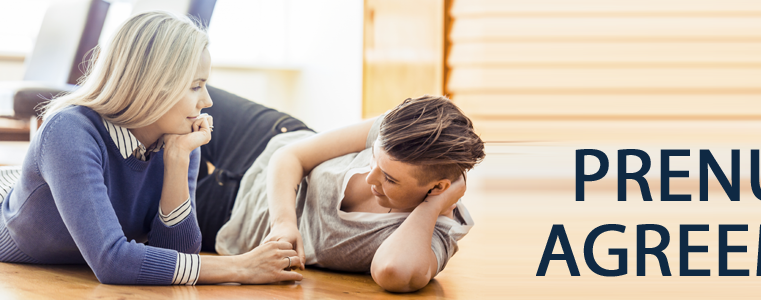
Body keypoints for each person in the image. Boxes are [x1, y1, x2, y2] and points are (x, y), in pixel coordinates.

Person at [0, 11, 302, 285]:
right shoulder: (68, 131)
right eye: (195, 86)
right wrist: (240, 268)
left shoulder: (179, 141)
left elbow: (177, 252)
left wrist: (178, 160)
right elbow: (112, 261)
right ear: (154, 84)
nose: (207, 101)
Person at [197, 89, 485, 292]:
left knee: (156, 188)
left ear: (437, 187)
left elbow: (392, 272)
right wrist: (284, 222)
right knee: (172, 96)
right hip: (265, 141)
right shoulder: (394, 133)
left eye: (389, 179)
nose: (371, 178)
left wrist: (433, 206)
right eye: (374, 157)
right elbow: (291, 156)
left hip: (233, 215)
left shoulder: (437, 234)